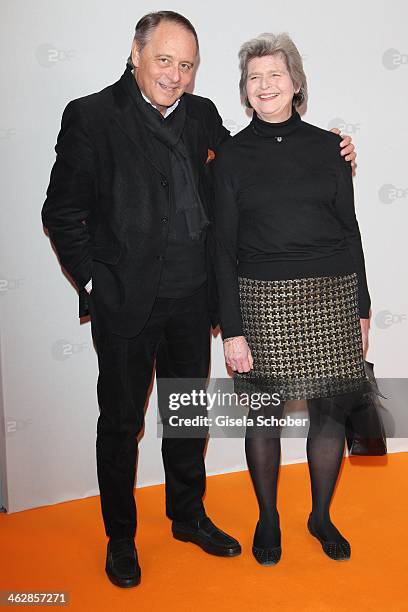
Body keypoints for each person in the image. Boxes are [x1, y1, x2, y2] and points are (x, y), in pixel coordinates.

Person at [41, 12, 357, 586]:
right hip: (126, 306)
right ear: (135, 54)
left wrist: (336, 153)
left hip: (192, 301)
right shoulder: (90, 116)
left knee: (186, 416)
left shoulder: (202, 116)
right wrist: (93, 282)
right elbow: (61, 212)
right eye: (164, 60)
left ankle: (187, 516)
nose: (175, 74)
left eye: (186, 64)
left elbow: (255, 165)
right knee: (120, 424)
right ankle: (120, 538)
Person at [213, 32, 370, 566]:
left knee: (329, 414)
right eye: (254, 78)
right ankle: (268, 517)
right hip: (261, 300)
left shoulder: (330, 148)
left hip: (333, 294)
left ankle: (320, 515)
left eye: (275, 74)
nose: (265, 85)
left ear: (296, 83)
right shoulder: (229, 157)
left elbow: (351, 232)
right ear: (245, 90)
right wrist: (231, 328)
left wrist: (363, 307)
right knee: (263, 416)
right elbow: (222, 250)